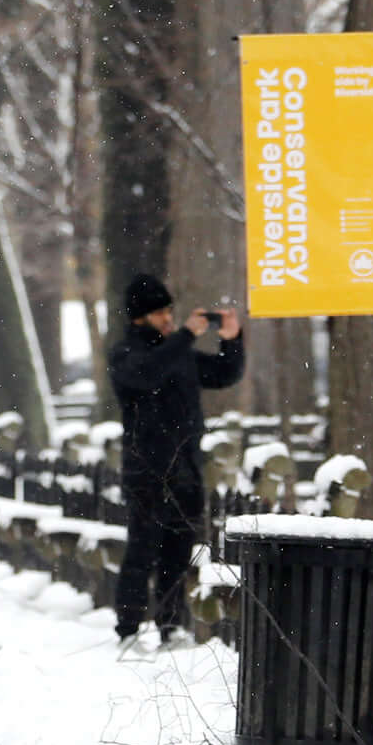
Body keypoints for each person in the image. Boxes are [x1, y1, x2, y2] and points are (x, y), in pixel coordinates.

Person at [107, 272, 245, 648]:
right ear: (140, 317)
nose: (169, 318)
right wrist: (185, 335)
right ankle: (129, 629)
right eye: (160, 313)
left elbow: (223, 374)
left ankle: (173, 627)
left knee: (178, 553)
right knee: (142, 549)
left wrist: (231, 340)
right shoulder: (125, 354)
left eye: (170, 311)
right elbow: (146, 374)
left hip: (186, 467)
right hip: (146, 470)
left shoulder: (179, 354)